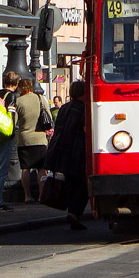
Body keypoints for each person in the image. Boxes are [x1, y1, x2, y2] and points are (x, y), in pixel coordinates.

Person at [44, 80, 89, 230]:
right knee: (82, 183)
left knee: (70, 183)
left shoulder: (64, 108)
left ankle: (72, 212)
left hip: (61, 149)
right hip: (77, 151)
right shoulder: (84, 109)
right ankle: (74, 214)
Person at [0, 71, 20, 211]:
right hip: (3, 135)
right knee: (2, 169)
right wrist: (11, 133)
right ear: (16, 84)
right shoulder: (11, 96)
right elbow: (11, 115)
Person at [14, 79, 50, 202]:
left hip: (24, 139)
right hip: (40, 138)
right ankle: (42, 195)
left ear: (20, 88)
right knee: (41, 169)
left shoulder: (18, 101)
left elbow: (14, 122)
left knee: (25, 168)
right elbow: (48, 117)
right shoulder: (40, 98)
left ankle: (27, 196)